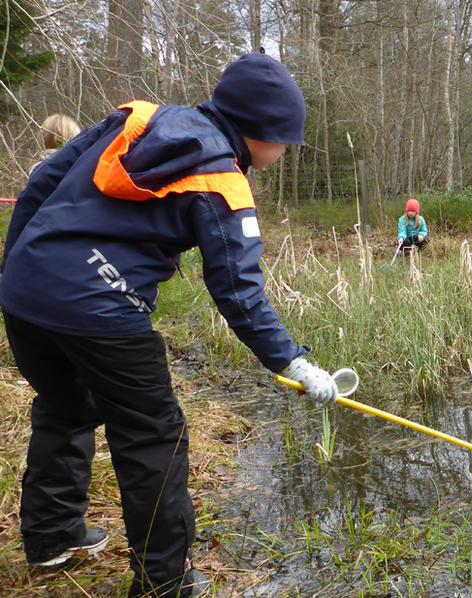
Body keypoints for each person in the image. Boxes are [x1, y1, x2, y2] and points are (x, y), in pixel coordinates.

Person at [0, 52, 340, 597]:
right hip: (99, 307)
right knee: (154, 436)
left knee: (67, 405)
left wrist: (14, 269)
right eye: (285, 139)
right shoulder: (221, 180)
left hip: (25, 289)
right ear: (262, 131)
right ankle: (165, 581)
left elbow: (43, 183)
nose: (285, 150)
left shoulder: (138, 118)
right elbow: (238, 289)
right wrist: (291, 359)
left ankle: (50, 538)